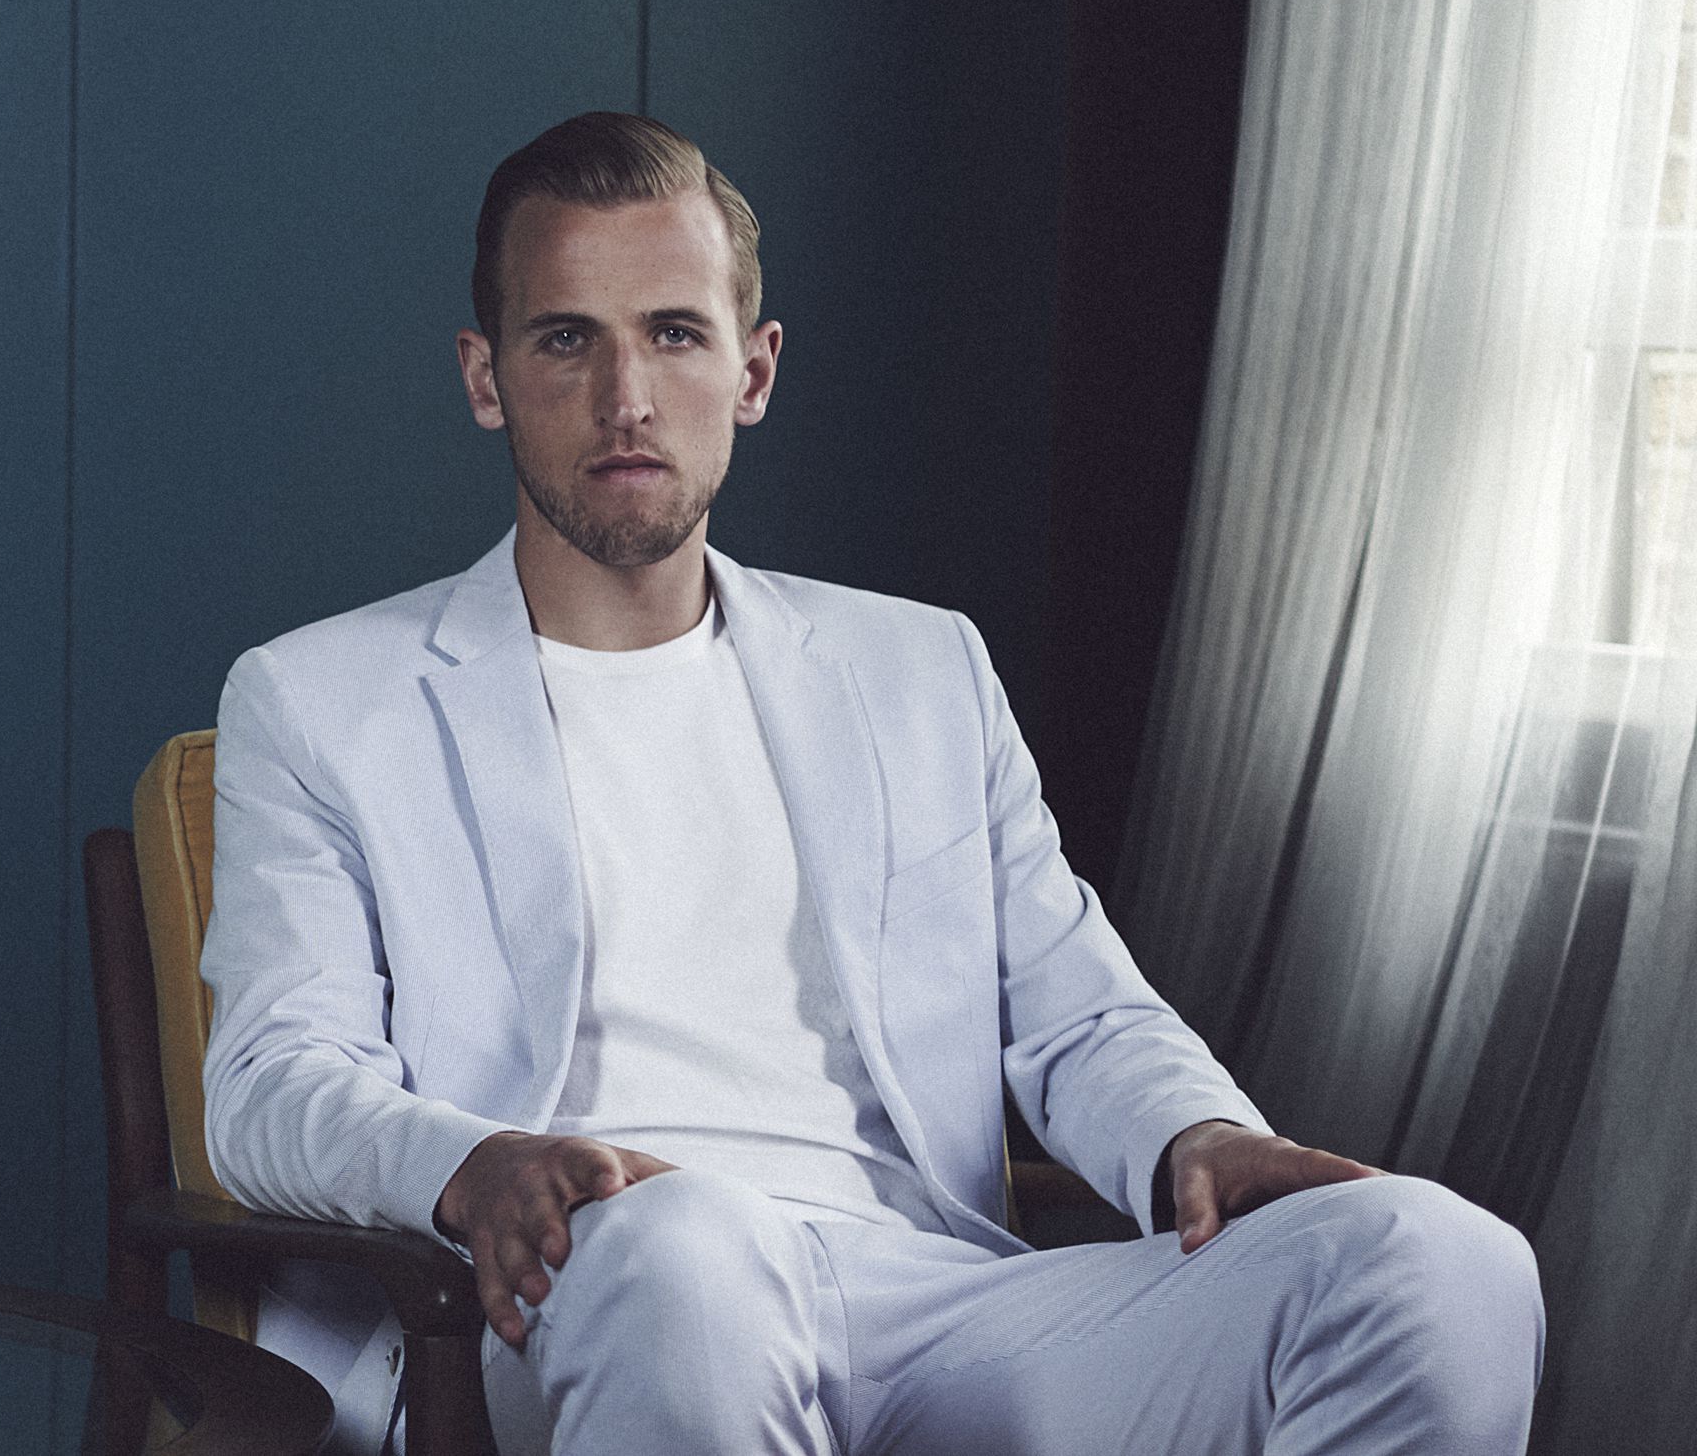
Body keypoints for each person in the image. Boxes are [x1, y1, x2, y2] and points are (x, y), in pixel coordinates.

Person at [199, 112, 1544, 1455]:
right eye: (566, 339)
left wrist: (1199, 1134)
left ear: (753, 370)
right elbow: (271, 1080)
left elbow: (1078, 1014)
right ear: (485, 377)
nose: (627, 397)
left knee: (1437, 1262)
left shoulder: (918, 669)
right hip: (580, 1293)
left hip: (937, 1301)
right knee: (689, 1244)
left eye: (675, 334)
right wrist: (474, 1164)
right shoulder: (321, 701)